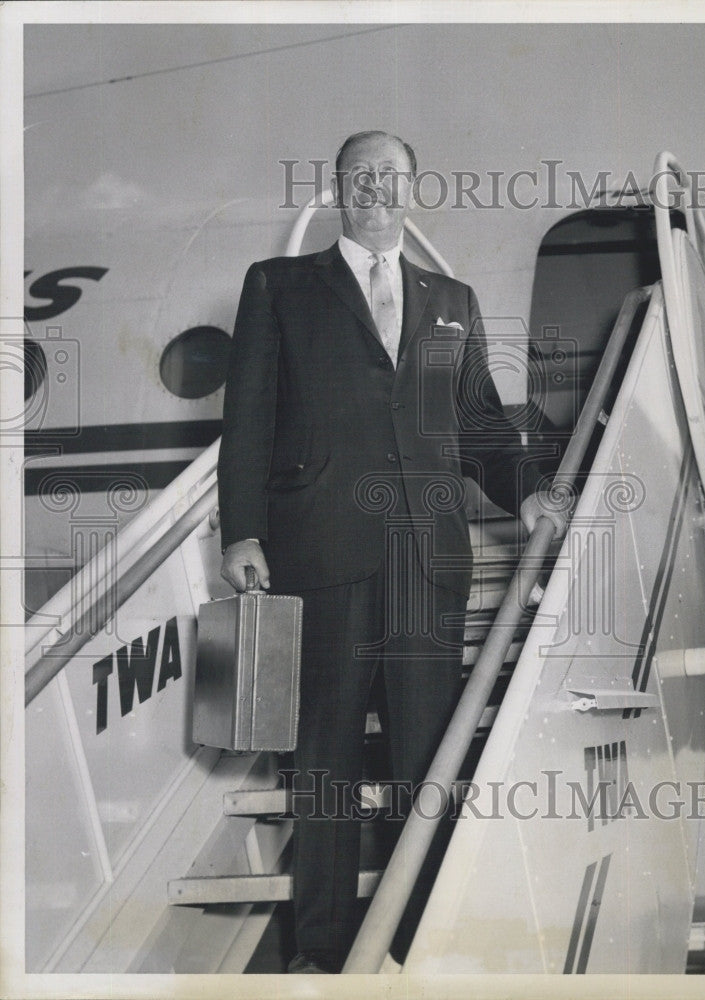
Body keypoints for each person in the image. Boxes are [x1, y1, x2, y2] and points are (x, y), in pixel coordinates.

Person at [218, 130, 555, 973]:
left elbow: (478, 426)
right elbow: (248, 415)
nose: (374, 186)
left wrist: (531, 491)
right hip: (320, 551)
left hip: (427, 561)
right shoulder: (279, 286)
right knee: (323, 759)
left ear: (412, 188)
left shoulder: (452, 297)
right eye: (359, 174)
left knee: (425, 758)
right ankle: (322, 952)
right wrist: (242, 529)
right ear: (337, 189)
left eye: (390, 174)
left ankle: (421, 942)